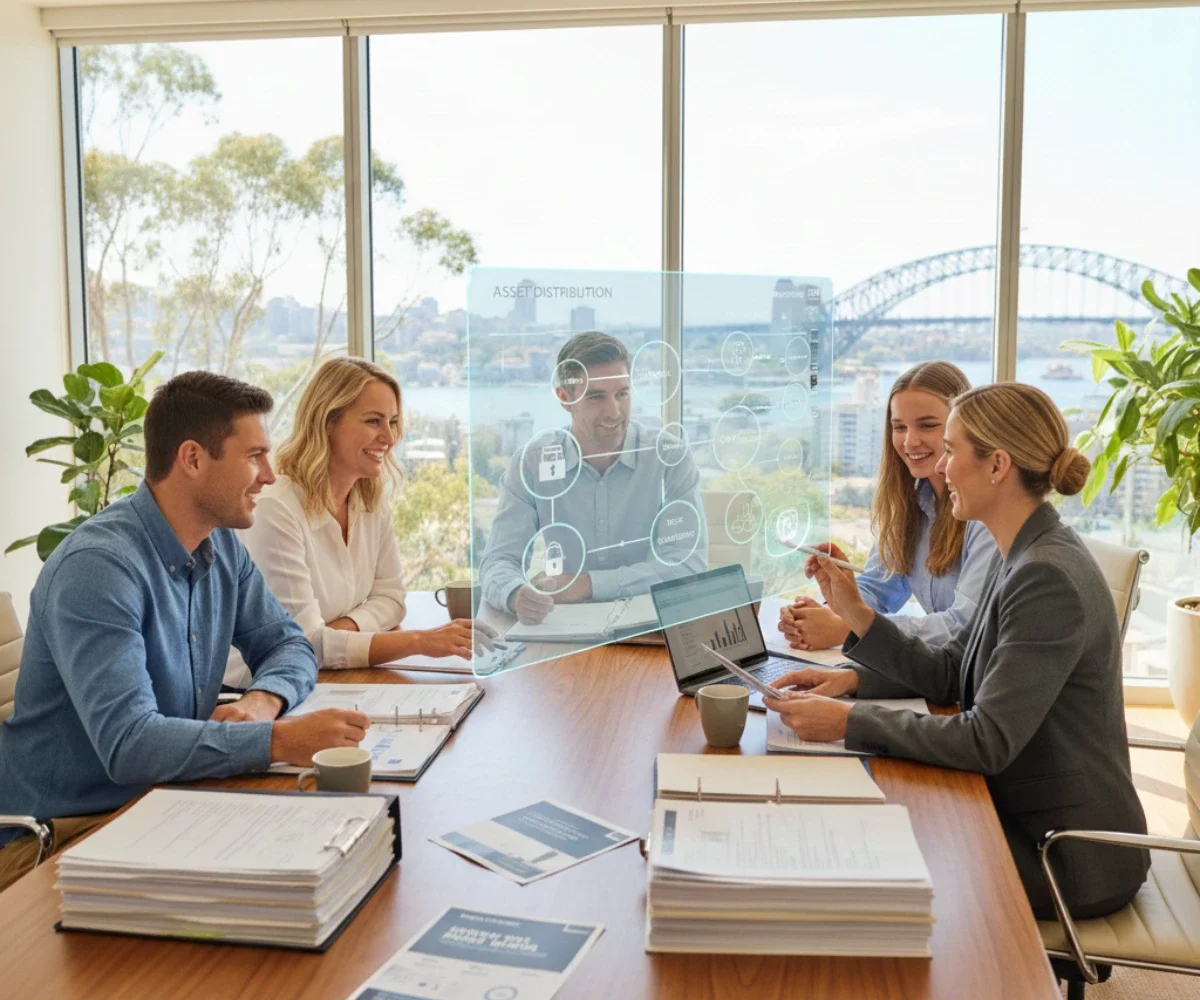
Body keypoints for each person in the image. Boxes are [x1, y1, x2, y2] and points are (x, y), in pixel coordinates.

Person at [765, 382, 1148, 920]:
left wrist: (848, 722)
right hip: (1025, 814)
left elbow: (985, 740)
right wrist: (855, 631)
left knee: (861, 856)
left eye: (950, 449)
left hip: (1065, 853)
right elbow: (954, 672)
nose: (940, 467)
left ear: (997, 465)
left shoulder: (1045, 576)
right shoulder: (1025, 551)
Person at [0, 372, 369, 892]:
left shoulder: (220, 548)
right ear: (192, 459)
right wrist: (279, 740)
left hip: (162, 803)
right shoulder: (99, 569)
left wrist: (263, 702)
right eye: (254, 455)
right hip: (60, 838)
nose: (269, 474)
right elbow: (130, 744)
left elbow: (288, 644)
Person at [224, 357, 493, 685]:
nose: (389, 437)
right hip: (257, 691)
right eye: (373, 421)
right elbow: (303, 645)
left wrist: (339, 631)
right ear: (327, 422)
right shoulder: (276, 509)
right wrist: (421, 641)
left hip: (333, 678)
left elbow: (392, 599)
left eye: (392, 422)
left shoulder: (369, 499)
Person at [480, 332, 706, 624]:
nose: (613, 411)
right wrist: (516, 594)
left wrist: (585, 585)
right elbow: (499, 561)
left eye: (622, 394)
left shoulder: (668, 456)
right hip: (566, 630)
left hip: (651, 630)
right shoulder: (533, 462)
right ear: (564, 398)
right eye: (596, 396)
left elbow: (689, 565)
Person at [779, 361, 996, 651]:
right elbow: (879, 589)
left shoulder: (989, 515)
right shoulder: (913, 503)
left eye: (927, 425)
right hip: (942, 675)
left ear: (962, 427)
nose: (910, 441)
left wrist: (850, 627)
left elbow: (965, 627)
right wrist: (832, 607)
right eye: (899, 427)